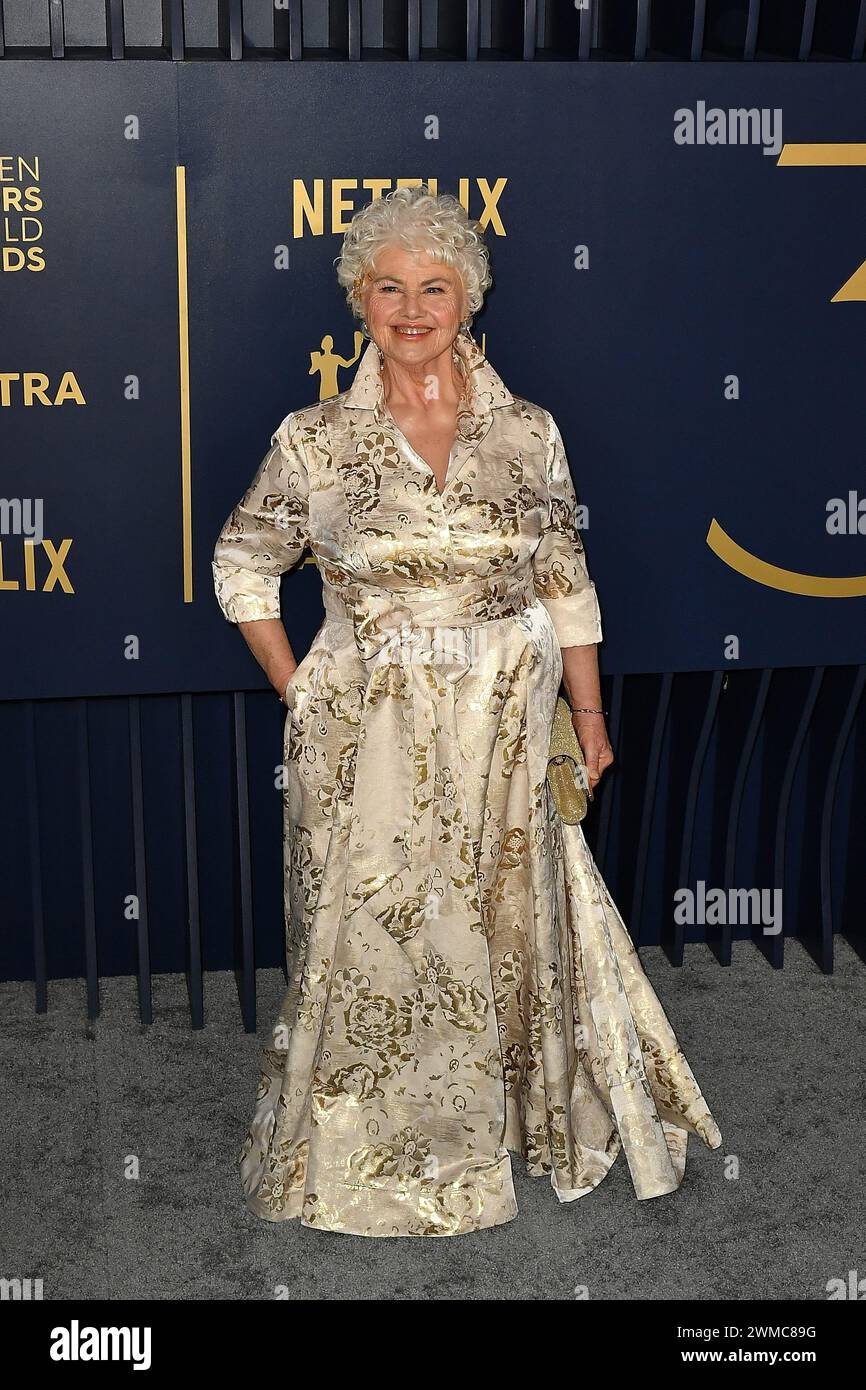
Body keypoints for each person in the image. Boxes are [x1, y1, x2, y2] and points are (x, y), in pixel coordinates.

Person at [212, 184, 722, 1238]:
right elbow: (241, 561)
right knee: (370, 935)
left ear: (468, 299)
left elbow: (565, 583)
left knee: (498, 921)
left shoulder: (528, 434)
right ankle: (367, 1147)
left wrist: (585, 716)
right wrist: (300, 683)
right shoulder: (312, 439)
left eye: (432, 286)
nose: (410, 308)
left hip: (504, 723)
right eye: (387, 287)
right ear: (358, 301)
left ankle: (492, 1120)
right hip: (367, 736)